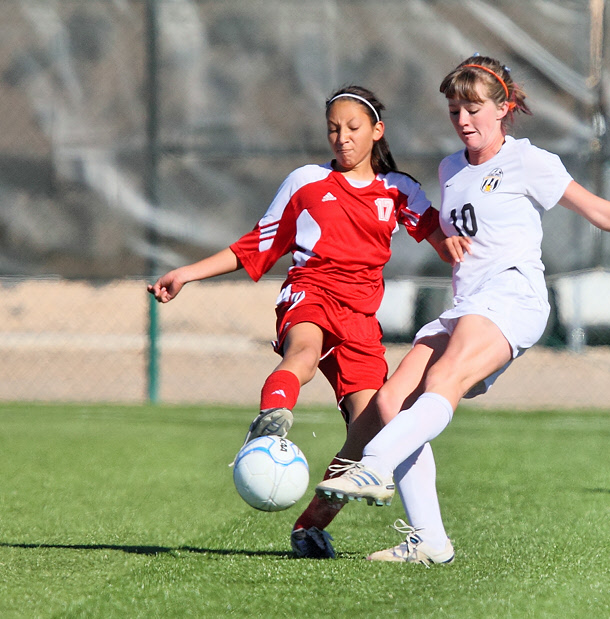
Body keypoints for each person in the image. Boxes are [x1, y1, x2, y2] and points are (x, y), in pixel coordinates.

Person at [315, 56, 610, 564]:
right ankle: (430, 540)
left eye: (473, 107)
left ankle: (376, 463)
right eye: (455, 109)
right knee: (392, 403)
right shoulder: (451, 167)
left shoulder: (528, 162)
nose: (462, 119)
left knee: (444, 381)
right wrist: (450, 241)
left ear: (503, 110)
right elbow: (459, 228)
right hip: (467, 304)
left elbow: (597, 209)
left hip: (513, 297)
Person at [148, 85, 454, 559]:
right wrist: (187, 273)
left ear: (377, 131)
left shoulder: (399, 190)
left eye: (353, 128)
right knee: (304, 354)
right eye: (333, 129)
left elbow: (441, 237)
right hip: (309, 293)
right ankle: (270, 424)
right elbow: (256, 245)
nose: (342, 138)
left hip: (361, 320)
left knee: (368, 430)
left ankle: (310, 525)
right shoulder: (306, 182)